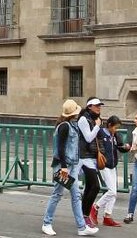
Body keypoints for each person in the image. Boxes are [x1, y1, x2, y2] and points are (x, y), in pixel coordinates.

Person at [42, 99, 96, 236]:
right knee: (57, 194)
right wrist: (64, 167)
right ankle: (46, 223)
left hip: (70, 166)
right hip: (63, 166)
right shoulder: (65, 126)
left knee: (76, 196)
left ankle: (82, 227)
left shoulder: (71, 125)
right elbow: (60, 148)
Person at [94, 115, 129, 227]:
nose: (116, 130)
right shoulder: (101, 133)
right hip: (104, 164)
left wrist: (126, 147)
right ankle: (95, 207)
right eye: (115, 127)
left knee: (114, 193)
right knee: (112, 191)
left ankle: (107, 216)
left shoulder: (115, 135)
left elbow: (119, 147)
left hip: (113, 165)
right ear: (109, 125)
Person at [77, 98, 104, 229]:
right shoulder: (83, 119)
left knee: (89, 187)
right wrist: (98, 126)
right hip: (84, 157)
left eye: (100, 106)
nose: (99, 108)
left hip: (91, 157)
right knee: (95, 186)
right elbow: (88, 137)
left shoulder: (94, 119)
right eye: (96, 106)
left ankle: (83, 216)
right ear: (89, 107)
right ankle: (84, 216)